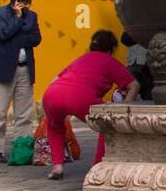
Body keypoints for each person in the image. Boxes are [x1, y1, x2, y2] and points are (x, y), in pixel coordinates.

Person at [41, 30, 138, 181]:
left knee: (54, 127)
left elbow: (56, 78)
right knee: (104, 125)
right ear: (112, 48)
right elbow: (133, 85)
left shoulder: (81, 59)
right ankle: (96, 167)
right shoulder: (109, 61)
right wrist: (124, 109)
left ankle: (57, 168)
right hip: (80, 96)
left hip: (52, 93)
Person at [0, 0, 41, 163]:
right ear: (15, 2)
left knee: (24, 113)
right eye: (24, 4)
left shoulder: (32, 16)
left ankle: (22, 149)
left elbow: (36, 39)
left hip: (25, 68)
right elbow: (3, 34)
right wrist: (17, 19)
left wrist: (16, 38)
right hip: (4, 68)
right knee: (0, 112)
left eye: (29, 4)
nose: (27, 7)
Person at [120, 31, 154, 101]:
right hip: (133, 63)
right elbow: (125, 40)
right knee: (131, 91)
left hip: (148, 63)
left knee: (148, 95)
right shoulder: (133, 23)